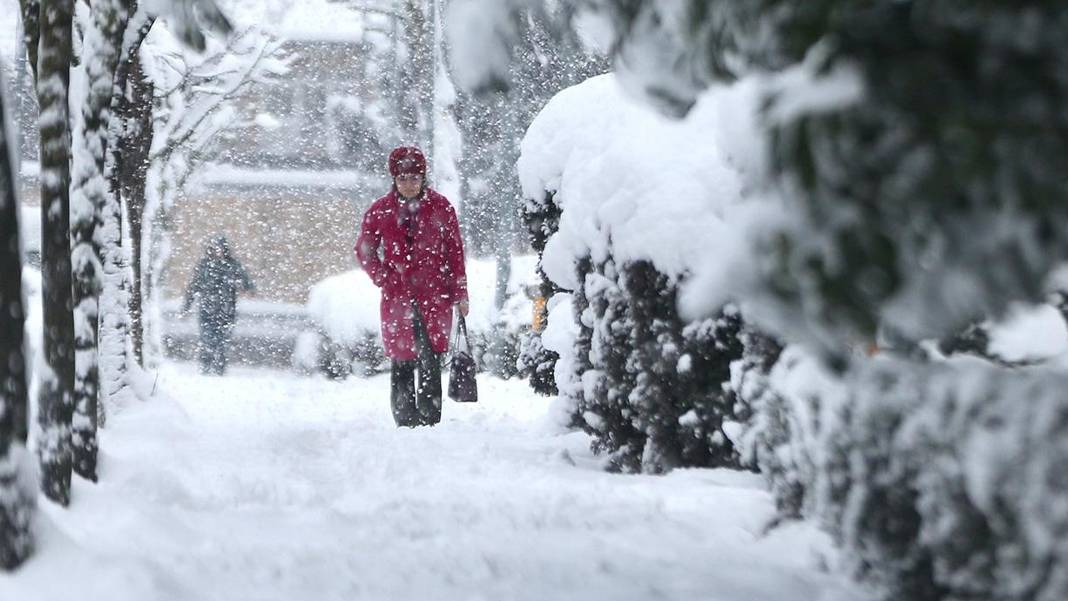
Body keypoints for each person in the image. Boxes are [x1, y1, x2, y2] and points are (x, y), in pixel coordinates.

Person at [356, 146, 469, 427]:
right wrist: (383, 276)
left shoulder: (441, 207)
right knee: (402, 359)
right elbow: (365, 250)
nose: (409, 184)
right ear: (394, 179)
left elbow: (455, 253)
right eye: (403, 179)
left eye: (414, 178)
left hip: (435, 296)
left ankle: (430, 418)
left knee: (431, 359)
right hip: (398, 298)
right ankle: (405, 420)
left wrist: (460, 293)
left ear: (423, 178)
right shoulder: (381, 210)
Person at [183, 235, 255, 375]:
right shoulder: (204, 265)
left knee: (222, 342)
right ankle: (205, 368)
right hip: (206, 309)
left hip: (227, 311)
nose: (218, 250)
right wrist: (186, 307)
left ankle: (219, 370)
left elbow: (246, 282)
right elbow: (193, 287)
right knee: (207, 340)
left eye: (220, 247)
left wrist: (247, 289)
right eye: (215, 247)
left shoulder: (232, 265)